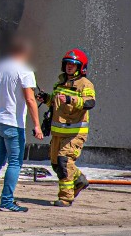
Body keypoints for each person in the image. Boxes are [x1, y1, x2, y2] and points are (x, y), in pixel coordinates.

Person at [0, 38, 44, 212]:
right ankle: (7, 201)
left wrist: (0, 106)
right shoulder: (25, 71)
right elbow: (30, 99)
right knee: (15, 162)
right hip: (13, 123)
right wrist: (37, 126)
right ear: (24, 53)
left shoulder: (1, 67)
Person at [37, 49, 95, 207]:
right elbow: (56, 105)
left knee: (64, 162)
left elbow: (90, 103)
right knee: (56, 164)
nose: (69, 67)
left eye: (73, 64)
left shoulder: (85, 84)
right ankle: (79, 180)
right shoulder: (60, 83)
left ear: (80, 67)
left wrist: (71, 99)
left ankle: (66, 198)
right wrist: (46, 98)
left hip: (74, 133)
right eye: (67, 64)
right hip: (58, 132)